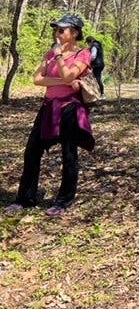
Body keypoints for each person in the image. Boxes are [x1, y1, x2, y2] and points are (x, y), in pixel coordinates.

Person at [4, 14, 95, 218]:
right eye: (57, 29)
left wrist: (59, 58)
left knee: (69, 155)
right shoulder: (50, 53)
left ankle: (63, 201)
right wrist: (60, 79)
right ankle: (25, 199)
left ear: (75, 33)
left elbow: (69, 75)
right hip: (48, 108)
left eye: (62, 30)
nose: (58, 33)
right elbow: (37, 79)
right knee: (32, 151)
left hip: (70, 108)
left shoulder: (83, 53)